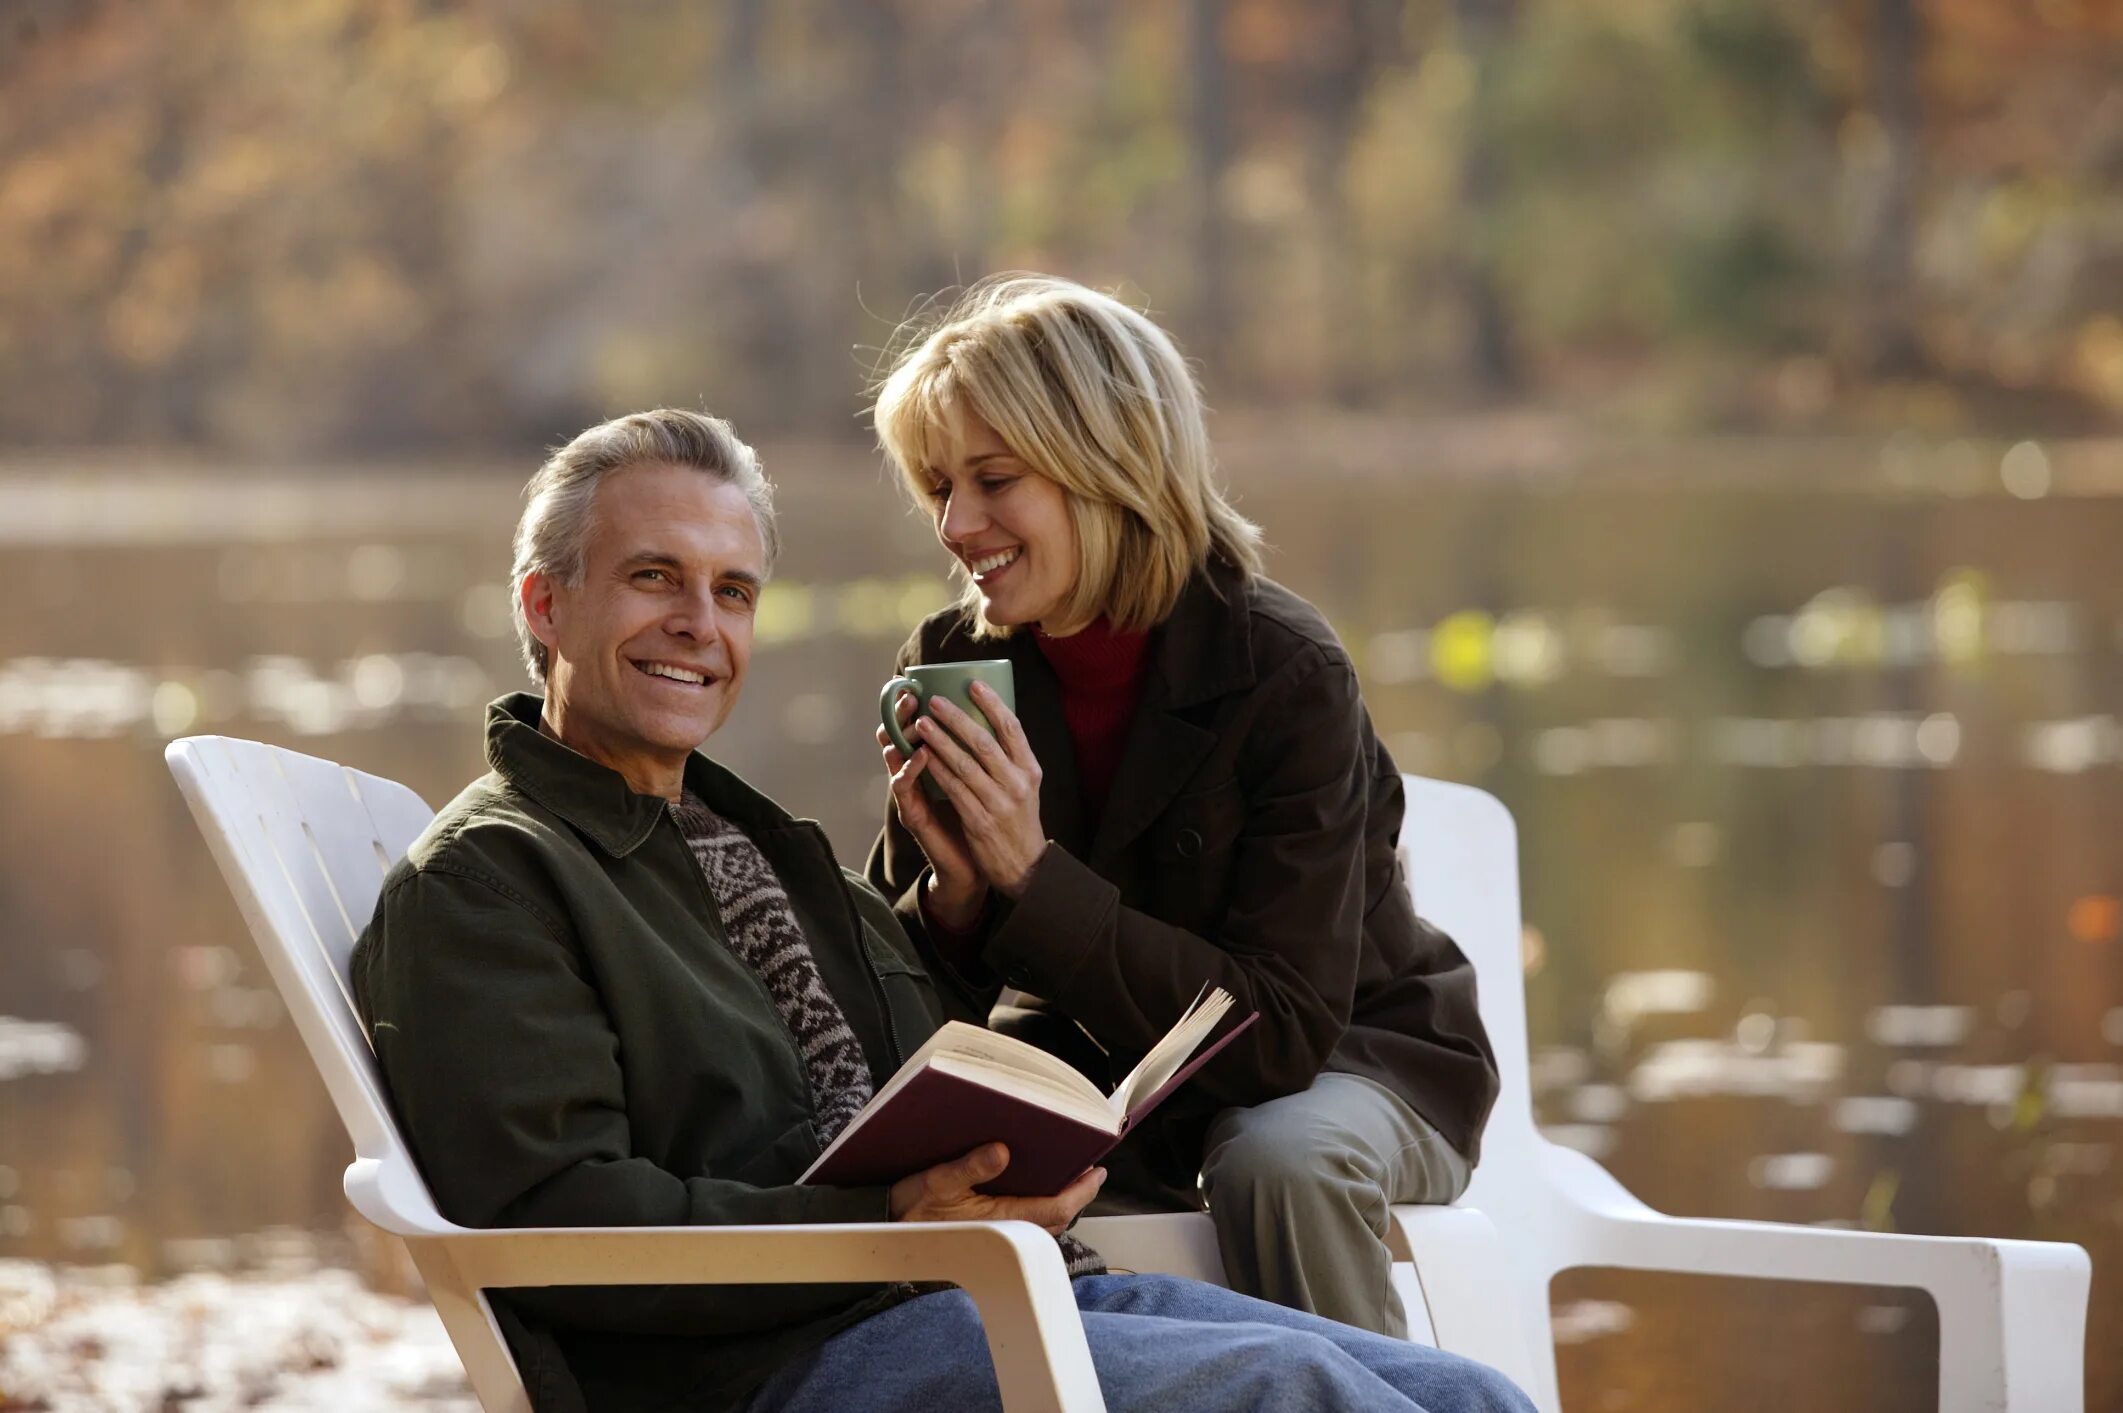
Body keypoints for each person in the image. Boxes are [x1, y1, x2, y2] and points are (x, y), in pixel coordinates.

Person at [351, 408, 1535, 1413]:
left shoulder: (765, 847)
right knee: (1292, 1393)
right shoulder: (494, 881)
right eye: (651, 577)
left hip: (981, 1284)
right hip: (772, 1361)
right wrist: (889, 1214)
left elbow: (917, 1071)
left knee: (1468, 1396)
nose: (698, 626)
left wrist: (969, 917)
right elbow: (560, 1222)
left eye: (733, 591)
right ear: (545, 608)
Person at [867, 275, 1502, 1339]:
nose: (954, 524)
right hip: (1099, 1081)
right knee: (932, 1175)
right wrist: (954, 902)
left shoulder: (1283, 670)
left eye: (991, 480)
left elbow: (1283, 1034)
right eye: (938, 486)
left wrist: (1031, 878)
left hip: (1353, 1062)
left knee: (1277, 1160)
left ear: (1104, 469)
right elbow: (895, 1014)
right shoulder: (951, 663)